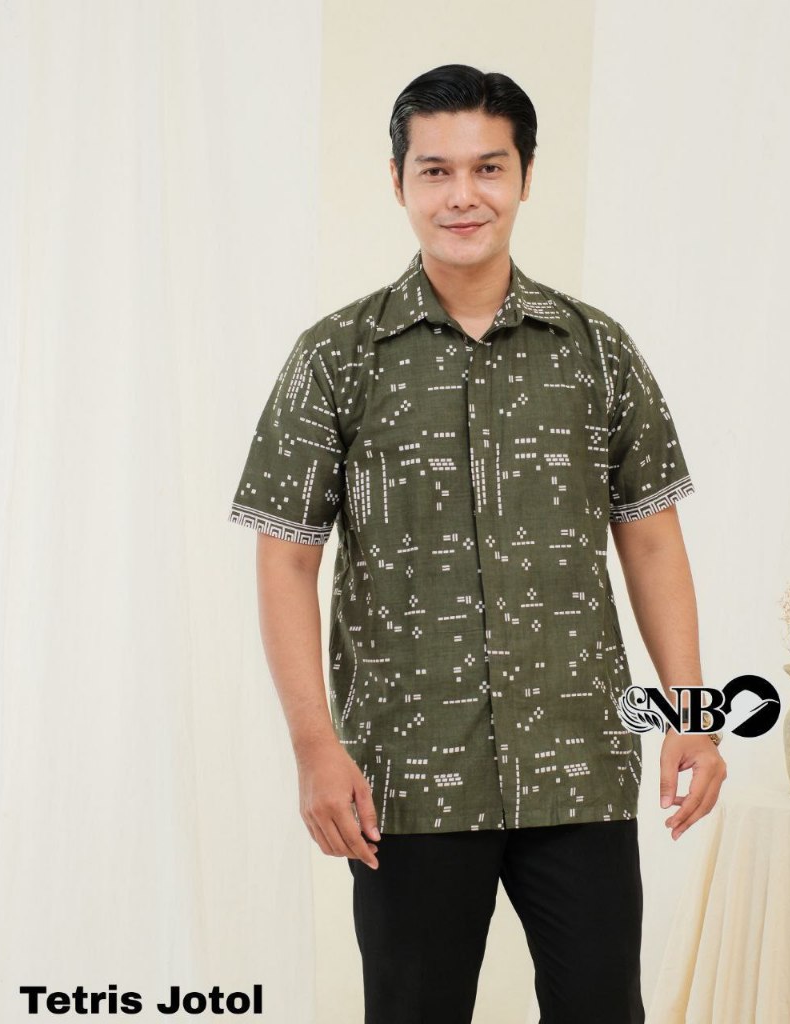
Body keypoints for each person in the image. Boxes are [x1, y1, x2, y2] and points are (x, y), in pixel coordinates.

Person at [228, 63, 726, 1024]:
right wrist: (314, 746)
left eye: (489, 168)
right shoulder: (336, 357)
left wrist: (691, 716)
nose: (464, 195)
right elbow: (287, 556)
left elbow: (653, 543)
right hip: (407, 776)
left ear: (527, 176)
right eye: (436, 170)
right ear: (398, 181)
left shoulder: (597, 350)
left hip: (578, 766)